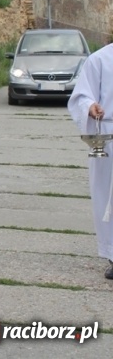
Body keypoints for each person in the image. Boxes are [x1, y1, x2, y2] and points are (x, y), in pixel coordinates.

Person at [67, 43, 113, 280]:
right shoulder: (100, 59)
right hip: (109, 136)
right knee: (108, 198)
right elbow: (82, 96)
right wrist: (90, 107)